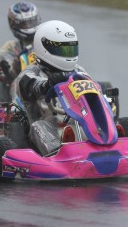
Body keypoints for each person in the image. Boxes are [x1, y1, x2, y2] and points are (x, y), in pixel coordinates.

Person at [15, 20, 90, 156]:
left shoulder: (78, 70)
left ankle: (109, 143)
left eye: (70, 49)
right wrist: (46, 85)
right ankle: (58, 155)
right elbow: (28, 86)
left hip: (78, 123)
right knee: (39, 126)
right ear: (44, 48)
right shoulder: (31, 72)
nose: (67, 54)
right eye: (61, 49)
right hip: (46, 129)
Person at [0, 2, 41, 84]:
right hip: (20, 84)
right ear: (13, 24)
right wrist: (16, 66)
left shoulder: (46, 40)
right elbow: (9, 73)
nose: (29, 26)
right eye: (25, 24)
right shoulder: (10, 47)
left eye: (31, 22)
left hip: (45, 79)